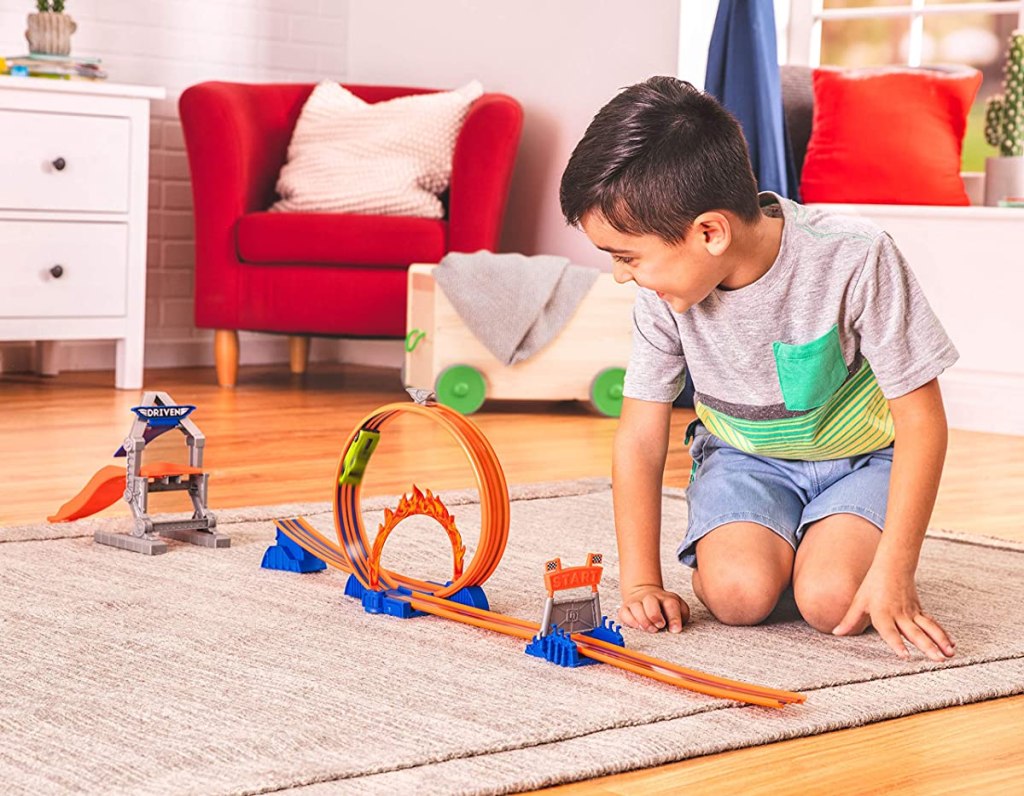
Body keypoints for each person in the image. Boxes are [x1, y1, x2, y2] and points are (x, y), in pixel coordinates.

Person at [559, 76, 957, 662]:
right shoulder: (662, 294)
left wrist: (895, 571)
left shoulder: (856, 257)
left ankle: (824, 549)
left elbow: (922, 421)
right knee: (737, 596)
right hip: (745, 459)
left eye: (627, 257)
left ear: (709, 232)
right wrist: (641, 581)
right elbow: (640, 435)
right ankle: (789, 542)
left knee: (832, 600)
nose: (622, 275)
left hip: (865, 461)